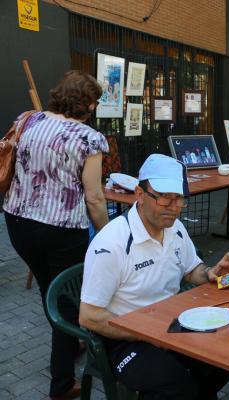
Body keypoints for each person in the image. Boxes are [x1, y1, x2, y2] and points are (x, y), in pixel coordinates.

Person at [79, 154, 229, 399]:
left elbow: (191, 270)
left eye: (179, 199)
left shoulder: (174, 227)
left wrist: (212, 273)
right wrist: (149, 334)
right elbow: (89, 317)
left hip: (171, 324)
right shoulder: (112, 244)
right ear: (140, 194)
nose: (173, 207)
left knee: (227, 357)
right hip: (125, 339)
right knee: (177, 385)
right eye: (164, 197)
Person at [2, 70, 108, 400]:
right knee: (65, 301)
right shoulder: (89, 138)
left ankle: (67, 341)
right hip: (62, 229)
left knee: (51, 289)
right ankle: (61, 384)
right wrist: (106, 233)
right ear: (89, 104)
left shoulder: (27, 120)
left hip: (17, 222)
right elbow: (94, 196)